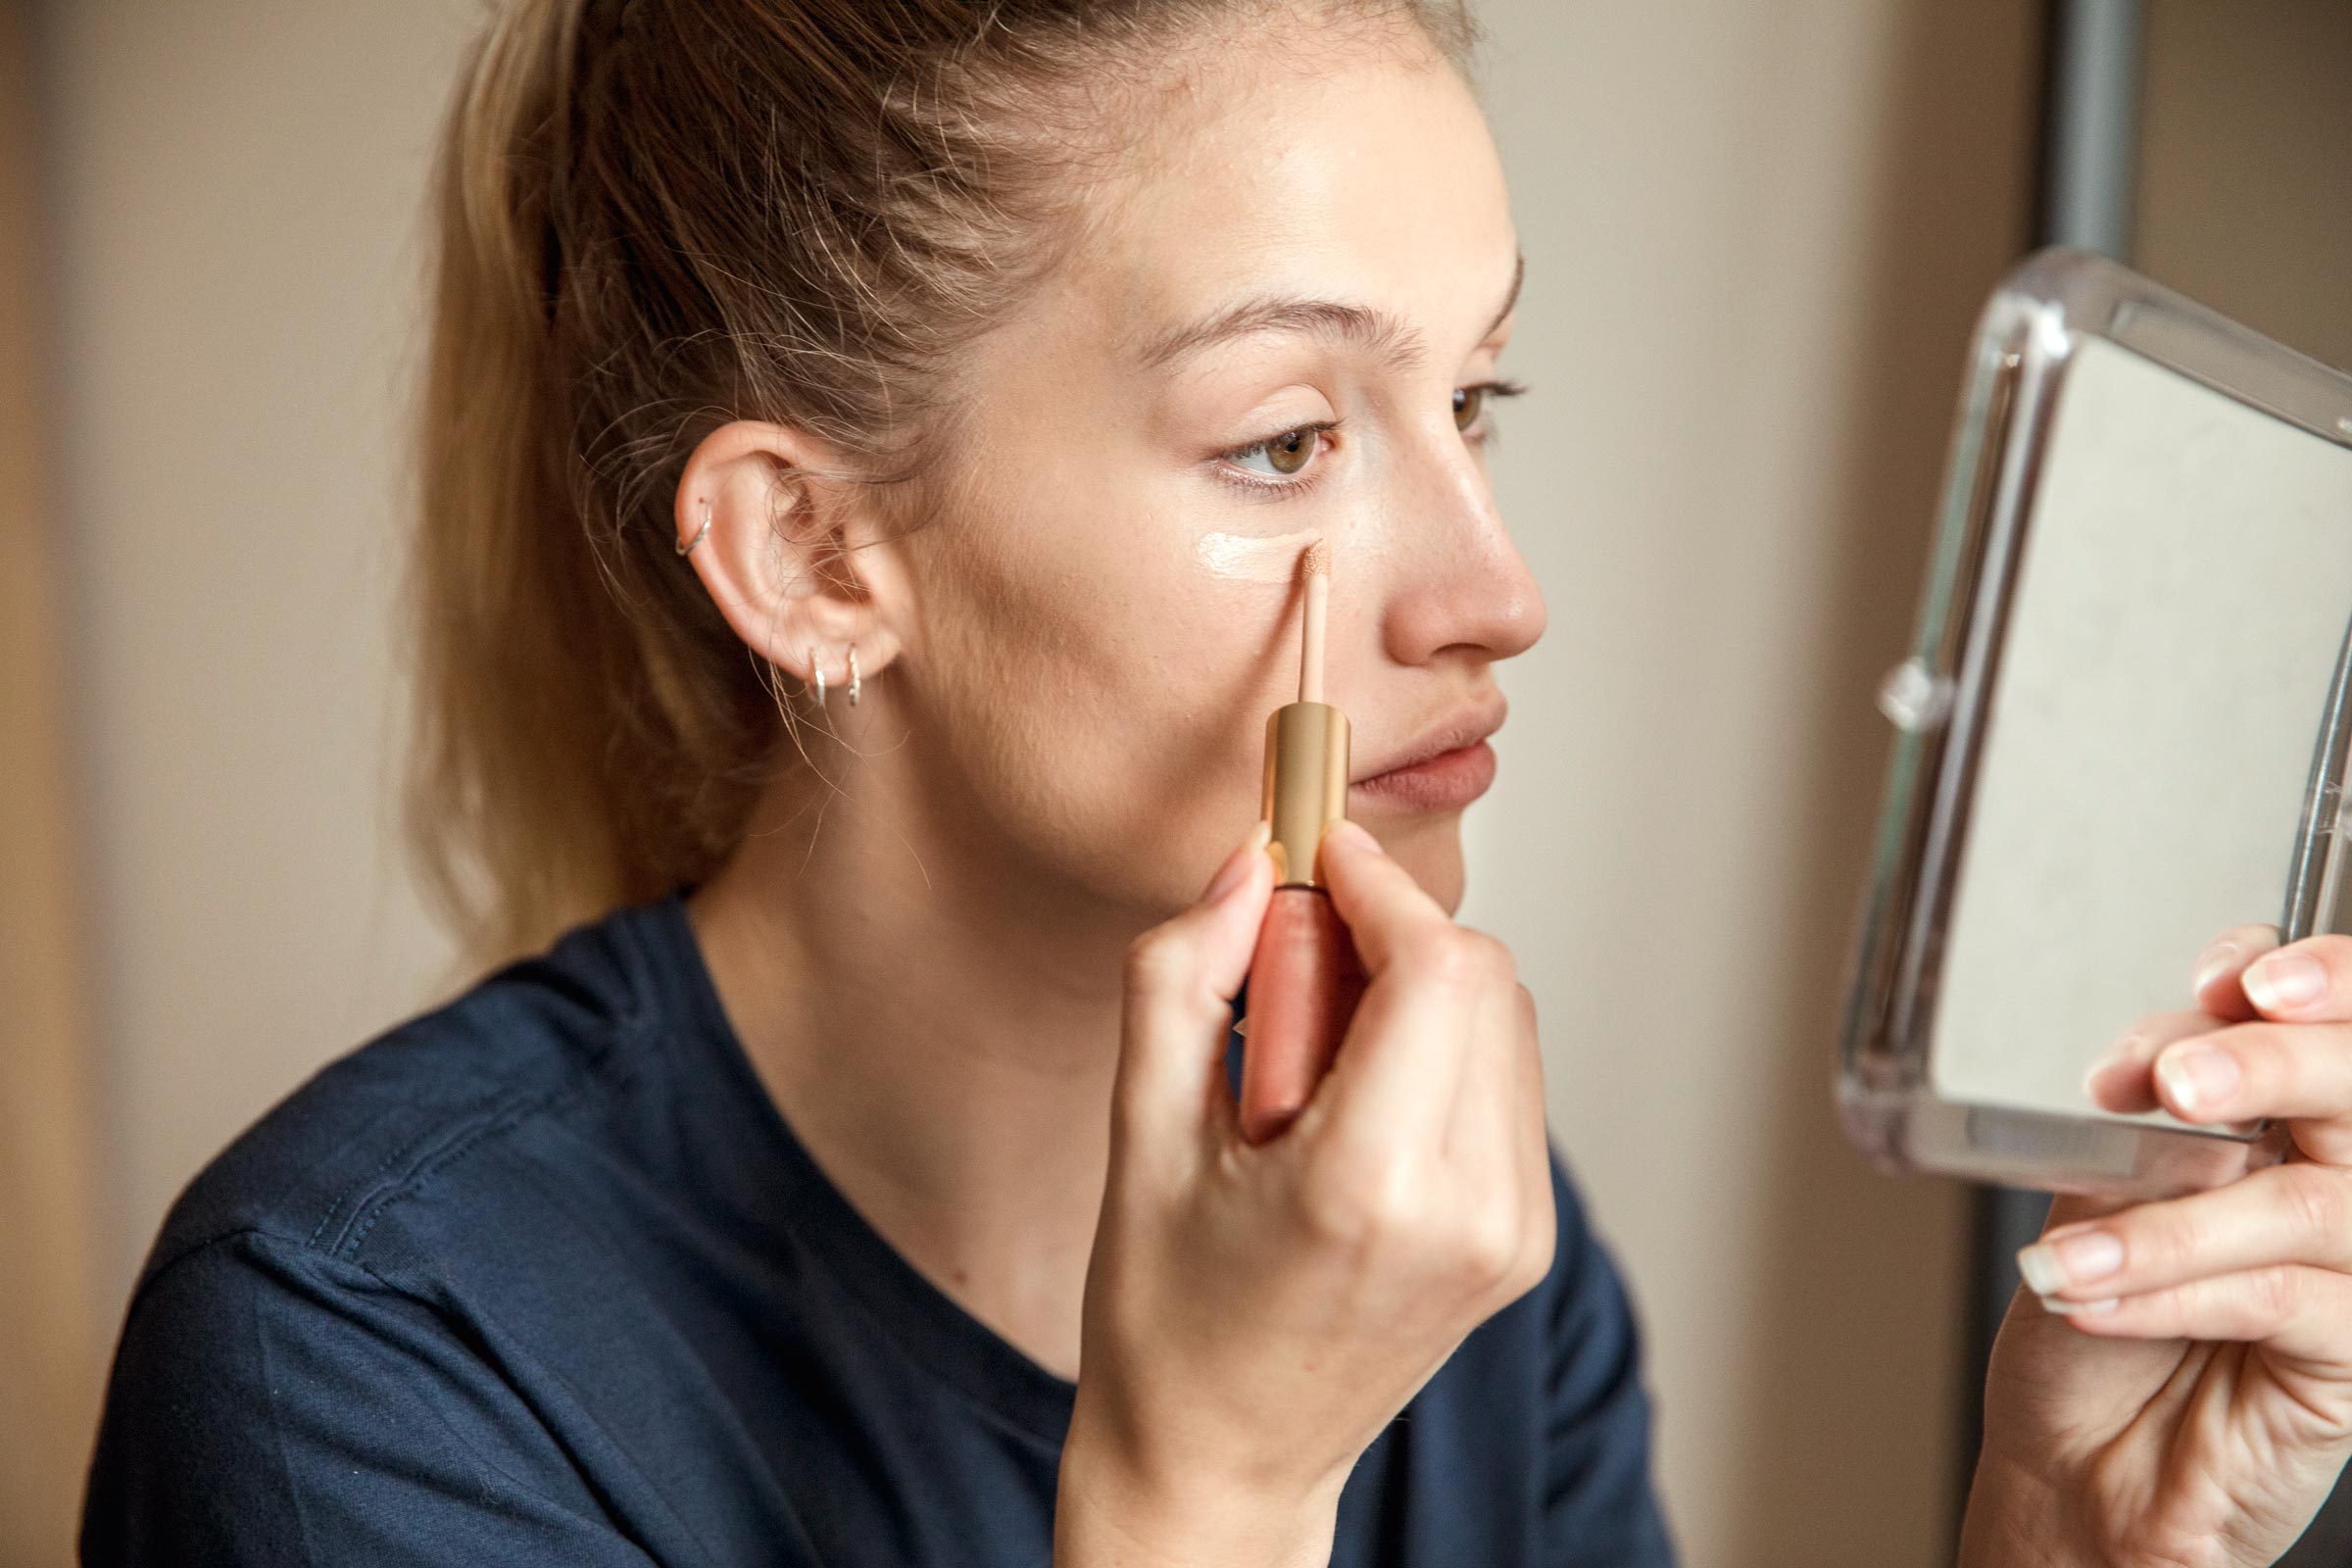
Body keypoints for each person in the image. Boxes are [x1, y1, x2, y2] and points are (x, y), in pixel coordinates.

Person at [75, 1, 2352, 1563]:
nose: (1498, 590)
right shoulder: (361, 1352)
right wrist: (1209, 1487)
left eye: (1476, 400)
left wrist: (2070, 1548)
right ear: (813, 550)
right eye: (1287, 437)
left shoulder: (1458, 1240)